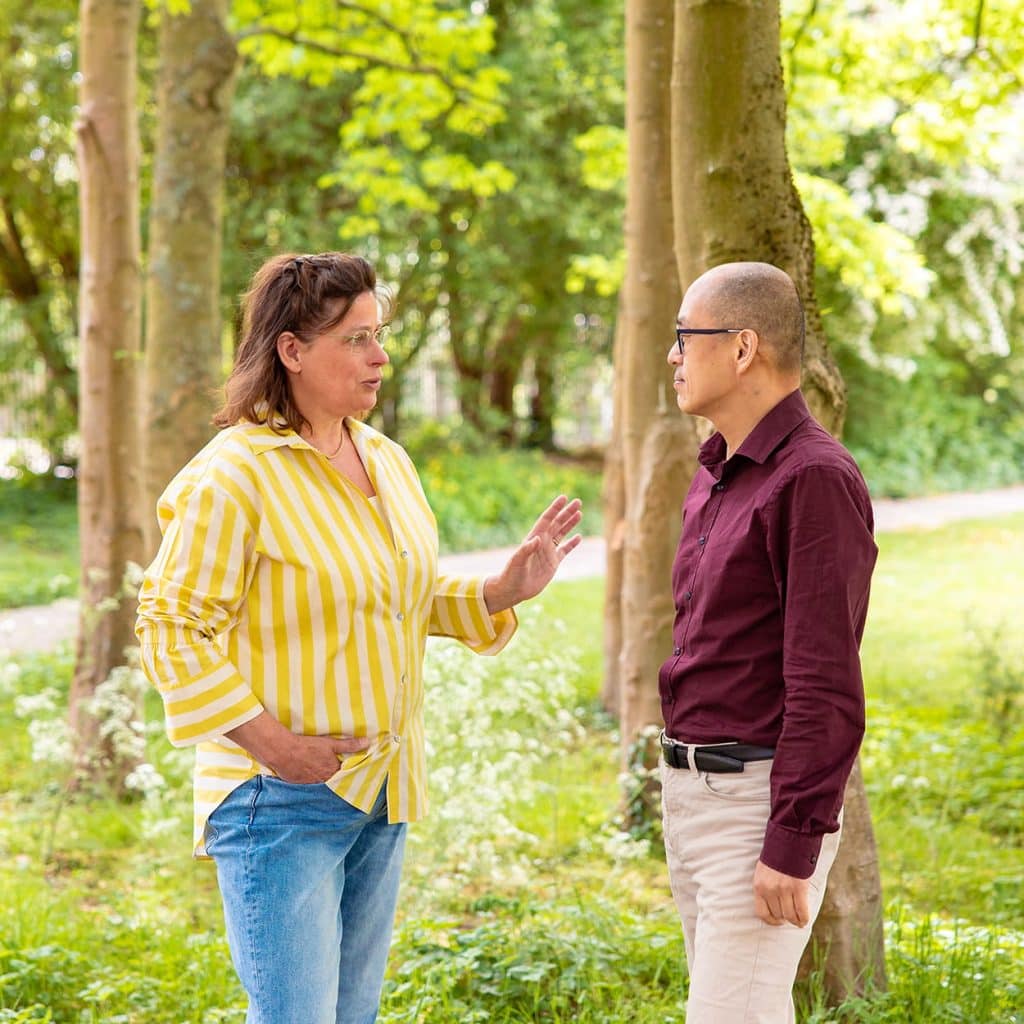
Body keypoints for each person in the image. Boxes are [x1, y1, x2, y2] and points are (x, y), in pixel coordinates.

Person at [135, 251, 582, 1024]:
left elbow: (395, 600)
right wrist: (274, 745)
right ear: (292, 350)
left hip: (382, 790)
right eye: (357, 339)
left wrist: (502, 590)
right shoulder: (234, 475)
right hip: (277, 802)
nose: (380, 358)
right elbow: (170, 628)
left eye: (381, 336)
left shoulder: (384, 459)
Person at [658, 261, 878, 1024]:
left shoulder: (813, 479)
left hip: (755, 801)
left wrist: (792, 838)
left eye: (686, 337)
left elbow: (826, 682)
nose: (674, 355)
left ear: (743, 348)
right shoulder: (720, 470)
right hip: (690, 795)